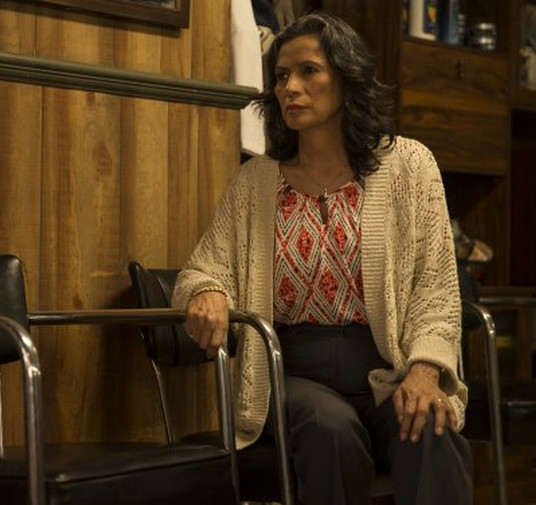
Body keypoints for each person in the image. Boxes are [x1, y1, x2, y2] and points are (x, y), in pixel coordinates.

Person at [171, 12, 473, 505]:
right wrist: (206, 292)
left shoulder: (410, 165)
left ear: (347, 79)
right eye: (281, 75)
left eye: (308, 70)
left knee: (432, 428)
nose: (289, 87)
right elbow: (205, 268)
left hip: (389, 367)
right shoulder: (255, 182)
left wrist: (424, 371)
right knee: (330, 430)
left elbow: (435, 288)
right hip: (292, 374)